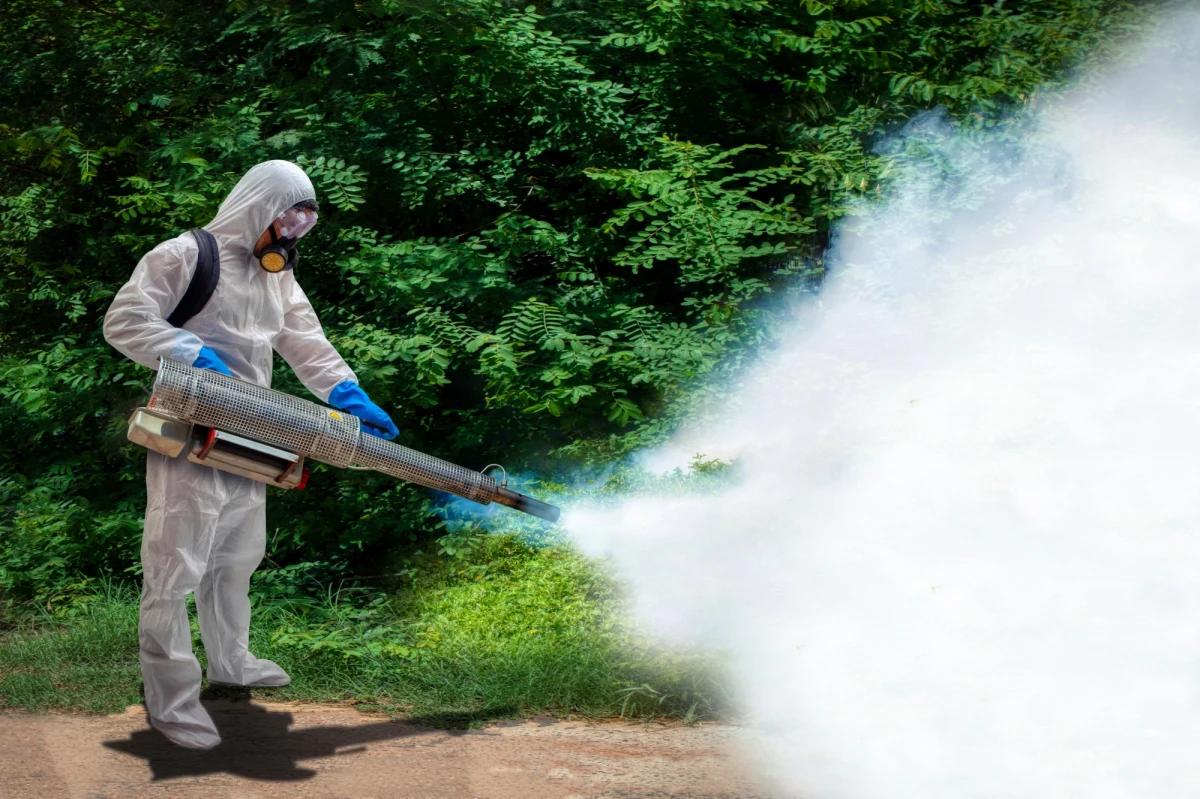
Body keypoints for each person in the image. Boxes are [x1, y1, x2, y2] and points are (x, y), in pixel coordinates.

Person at [103, 160, 398, 750]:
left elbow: (305, 340)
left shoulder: (275, 275)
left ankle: (232, 662)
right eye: (286, 221)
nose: (289, 237)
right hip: (188, 423)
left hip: (254, 427)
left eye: (302, 226)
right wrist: (189, 352)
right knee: (175, 562)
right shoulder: (185, 255)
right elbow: (124, 320)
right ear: (258, 206)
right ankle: (172, 701)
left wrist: (348, 393)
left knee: (236, 555)